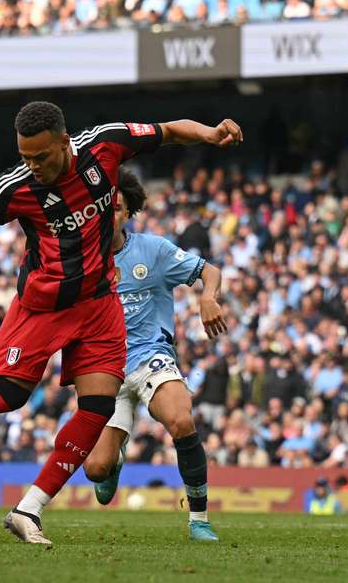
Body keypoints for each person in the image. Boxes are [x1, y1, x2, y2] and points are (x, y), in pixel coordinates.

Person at [0, 101, 242, 545]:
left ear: (64, 143)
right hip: (43, 306)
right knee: (8, 394)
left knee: (98, 407)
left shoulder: (106, 144)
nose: (32, 166)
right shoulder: (14, 188)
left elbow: (167, 130)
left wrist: (208, 133)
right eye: (25, 157)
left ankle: (28, 510)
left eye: (41, 157)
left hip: (99, 302)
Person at [81, 169, 225, 541]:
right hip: (105, 369)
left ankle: (199, 519)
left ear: (128, 213)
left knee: (181, 421)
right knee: (95, 469)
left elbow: (209, 270)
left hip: (151, 357)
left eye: (116, 209)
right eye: (102, 208)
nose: (108, 215)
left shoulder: (154, 251)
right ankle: (114, 461)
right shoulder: (79, 261)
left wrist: (207, 298)